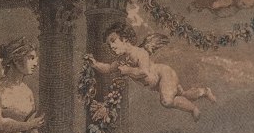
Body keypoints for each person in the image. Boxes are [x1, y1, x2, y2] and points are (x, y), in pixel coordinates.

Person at [88, 27, 216, 119]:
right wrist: (94, 64)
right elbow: (108, 68)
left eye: (113, 41)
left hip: (163, 74)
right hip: (157, 84)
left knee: (167, 101)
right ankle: (204, 91)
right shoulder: (122, 60)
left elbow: (144, 72)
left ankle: (193, 109)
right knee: (183, 95)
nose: (111, 46)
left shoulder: (139, 53)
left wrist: (128, 70)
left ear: (125, 39)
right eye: (109, 44)